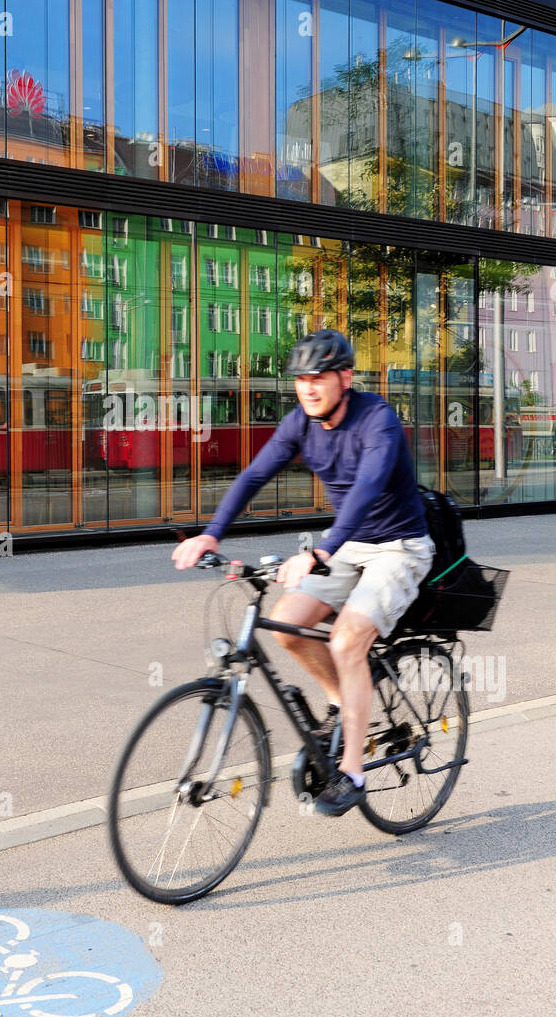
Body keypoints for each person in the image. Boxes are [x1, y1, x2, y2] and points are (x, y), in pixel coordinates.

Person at [172, 328, 435, 817]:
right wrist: (211, 534)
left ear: (345, 377)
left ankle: (352, 771)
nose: (309, 387)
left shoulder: (377, 420)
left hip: (399, 547)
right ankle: (344, 701)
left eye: (319, 377)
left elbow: (366, 490)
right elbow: (254, 474)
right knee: (290, 626)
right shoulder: (300, 423)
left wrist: (319, 552)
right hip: (349, 543)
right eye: (301, 379)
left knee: (346, 641)